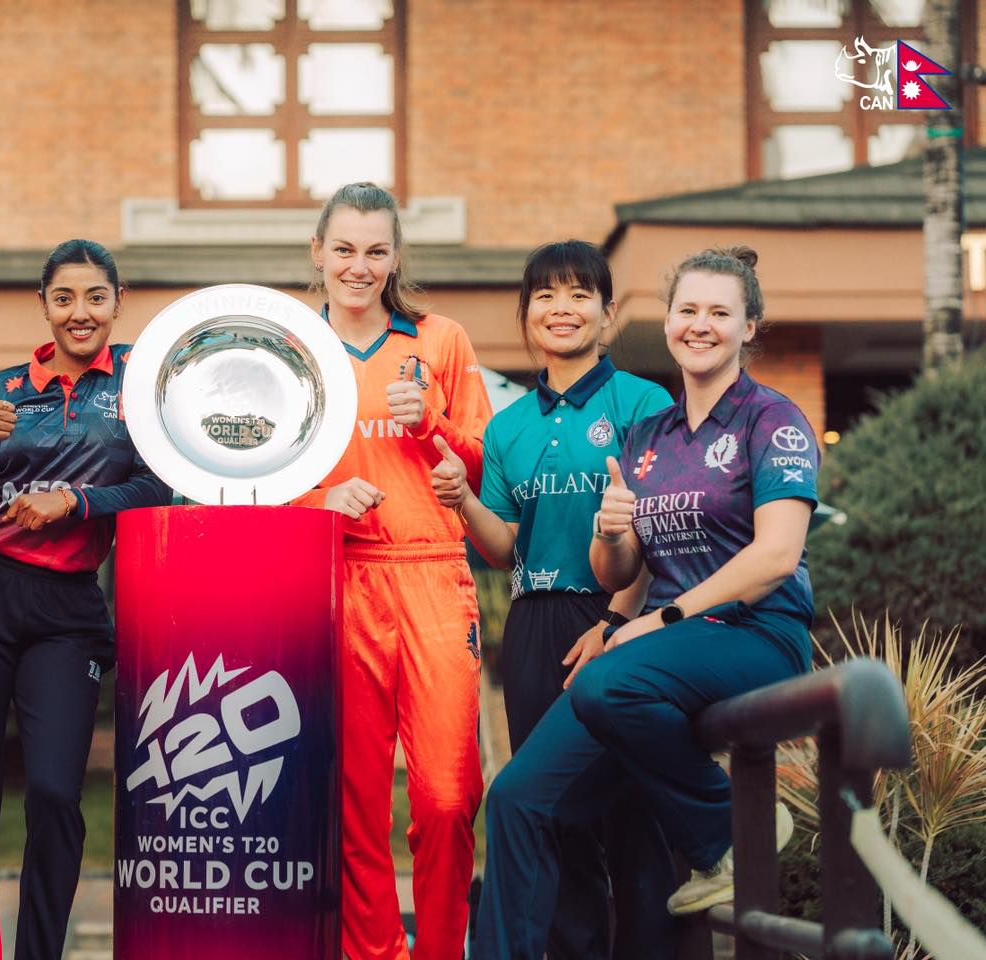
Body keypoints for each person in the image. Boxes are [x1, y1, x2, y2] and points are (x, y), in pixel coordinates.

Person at [472, 246, 814, 958]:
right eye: (687, 310)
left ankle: (728, 831)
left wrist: (657, 619)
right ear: (665, 322)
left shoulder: (772, 420)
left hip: (753, 634)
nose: (700, 325)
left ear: (749, 326)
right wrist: (611, 551)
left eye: (719, 312)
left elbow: (776, 558)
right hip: (661, 647)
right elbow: (625, 568)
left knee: (609, 688)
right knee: (515, 800)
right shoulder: (648, 436)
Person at [0, 239, 172, 960]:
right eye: (63, 298)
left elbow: (160, 487)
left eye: (95, 296)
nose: (79, 312)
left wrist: (76, 501)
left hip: (67, 610)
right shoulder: (2, 387)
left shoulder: (140, 384)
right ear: (43, 306)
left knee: (58, 793)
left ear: (119, 302)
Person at [430, 240, 674, 958]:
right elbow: (505, 547)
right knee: (553, 815)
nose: (561, 308)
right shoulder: (508, 426)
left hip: (620, 621)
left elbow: (659, 535)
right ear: (526, 314)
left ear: (606, 313)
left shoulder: (644, 403)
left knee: (633, 814)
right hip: (536, 625)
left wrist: (615, 622)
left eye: (579, 294)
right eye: (545, 295)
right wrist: (463, 499)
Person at [294, 182, 493, 960]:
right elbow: (247, 484)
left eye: (376, 251)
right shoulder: (290, 348)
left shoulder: (441, 340)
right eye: (344, 249)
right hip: (337, 579)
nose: (359, 266)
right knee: (354, 805)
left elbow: (487, 467)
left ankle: (442, 950)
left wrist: (431, 424)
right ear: (318, 252)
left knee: (447, 795)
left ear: (396, 256)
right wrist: (321, 499)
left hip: (433, 573)